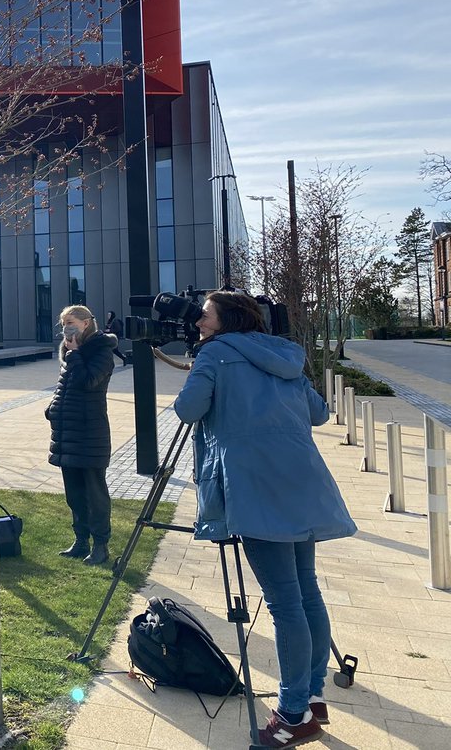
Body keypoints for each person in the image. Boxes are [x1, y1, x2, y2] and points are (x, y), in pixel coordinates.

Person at [173, 291, 356, 748]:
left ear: (225, 320)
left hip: (255, 488)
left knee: (285, 603)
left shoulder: (214, 354)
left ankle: (292, 713)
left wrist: (201, 372)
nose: (198, 321)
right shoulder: (285, 354)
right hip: (301, 480)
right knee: (306, 592)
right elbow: (318, 413)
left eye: (206, 314)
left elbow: (187, 410)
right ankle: (311, 698)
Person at [45, 305, 118, 566]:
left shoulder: (101, 350)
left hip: (90, 433)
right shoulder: (68, 351)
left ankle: (101, 545)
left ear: (87, 323)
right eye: (64, 323)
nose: (67, 327)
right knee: (74, 493)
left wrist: (75, 354)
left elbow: (89, 381)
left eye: (71, 322)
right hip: (66, 431)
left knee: (95, 494)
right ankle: (80, 540)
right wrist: (53, 408)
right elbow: (65, 386)